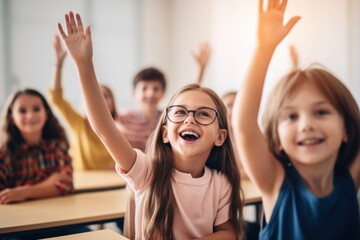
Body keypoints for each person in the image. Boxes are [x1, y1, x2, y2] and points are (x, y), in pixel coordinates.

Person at [57, 12, 244, 239]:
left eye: (203, 114)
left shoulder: (220, 183)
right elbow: (105, 129)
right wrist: (84, 65)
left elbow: (229, 232)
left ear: (220, 137)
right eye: (180, 112)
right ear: (164, 133)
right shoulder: (146, 172)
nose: (190, 119)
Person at [232, 0, 360, 239]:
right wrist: (264, 49)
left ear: (347, 130)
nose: (306, 125)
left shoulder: (348, 181)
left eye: (321, 112)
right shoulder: (275, 183)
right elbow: (244, 126)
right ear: (277, 139)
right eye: (291, 116)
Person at [49, 35, 116, 170]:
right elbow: (57, 99)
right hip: (83, 185)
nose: (100, 101)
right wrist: (59, 64)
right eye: (96, 97)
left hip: (110, 184)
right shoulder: (79, 124)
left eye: (105, 96)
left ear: (113, 104)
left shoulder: (119, 128)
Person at [0, 88, 73, 204]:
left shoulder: (57, 146)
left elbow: (66, 186)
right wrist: (48, 183)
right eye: (22, 111)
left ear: (46, 114)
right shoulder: (4, 154)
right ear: (12, 117)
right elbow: (3, 196)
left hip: (56, 213)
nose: (30, 115)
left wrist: (24, 192)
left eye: (36, 109)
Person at [116, 67, 166, 152]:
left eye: (156, 89)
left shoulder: (167, 118)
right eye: (144, 88)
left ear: (163, 93)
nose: (150, 94)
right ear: (134, 93)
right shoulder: (123, 118)